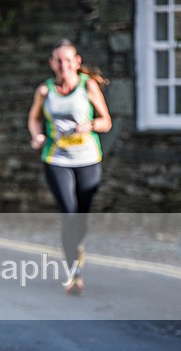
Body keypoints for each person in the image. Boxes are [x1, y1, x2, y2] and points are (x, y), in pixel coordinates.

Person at [28, 39, 112, 295]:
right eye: (59, 60)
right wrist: (37, 136)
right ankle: (73, 273)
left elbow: (106, 121)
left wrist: (91, 125)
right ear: (52, 64)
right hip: (57, 159)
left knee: (81, 216)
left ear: (76, 62)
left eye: (68, 60)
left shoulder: (89, 86)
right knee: (69, 213)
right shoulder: (45, 91)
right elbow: (33, 118)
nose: (63, 65)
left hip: (87, 158)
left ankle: (78, 248)